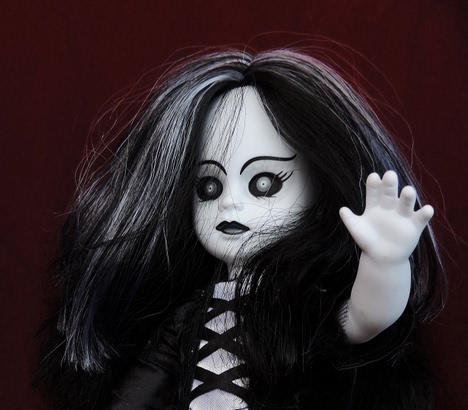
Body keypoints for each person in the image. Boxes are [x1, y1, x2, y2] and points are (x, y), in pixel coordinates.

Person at [38, 49, 445, 409]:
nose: (230, 203)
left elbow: (365, 319)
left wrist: (385, 263)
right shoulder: (187, 317)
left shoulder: (302, 308)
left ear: (319, 190)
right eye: (208, 187)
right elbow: (142, 389)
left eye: (263, 183)